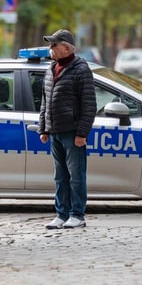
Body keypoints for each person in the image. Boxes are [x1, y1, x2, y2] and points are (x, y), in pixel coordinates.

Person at [38, 29, 97, 229]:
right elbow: (45, 101)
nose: (50, 48)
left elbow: (89, 104)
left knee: (76, 175)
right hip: (55, 131)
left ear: (66, 48)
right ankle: (61, 214)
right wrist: (43, 128)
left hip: (72, 132)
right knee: (60, 176)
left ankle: (77, 214)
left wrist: (82, 133)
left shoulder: (81, 69)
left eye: (53, 45)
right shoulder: (51, 68)